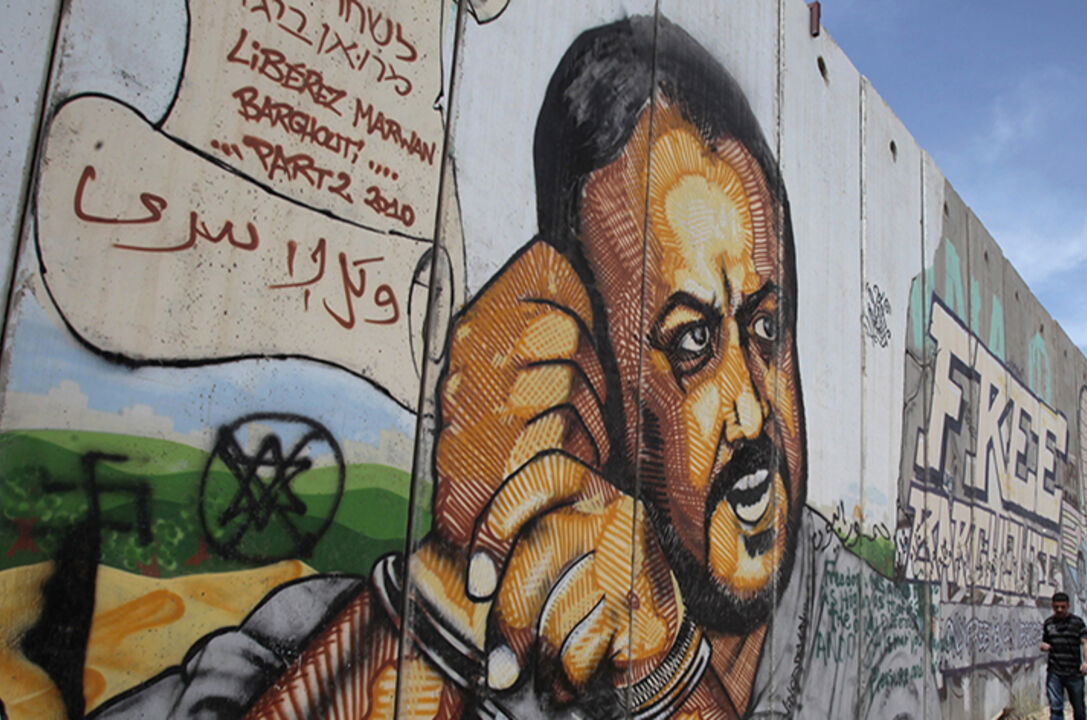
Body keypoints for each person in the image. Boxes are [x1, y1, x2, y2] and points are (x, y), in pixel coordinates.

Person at [92, 16, 919, 719]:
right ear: (582, 367)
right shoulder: (360, 627)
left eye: (767, 328)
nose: (752, 409)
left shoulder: (873, 640)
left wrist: (662, 676)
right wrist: (454, 576)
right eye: (692, 343)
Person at [1041, 591, 1087, 720]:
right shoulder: (1049, 623)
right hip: (1055, 672)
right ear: (1052, 606)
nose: (1059, 610)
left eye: (1062, 607)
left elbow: (1085, 643)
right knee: (1055, 707)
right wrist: (1044, 646)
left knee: (1078, 708)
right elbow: (1045, 642)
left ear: (1068, 606)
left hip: (1074, 672)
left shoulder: (1077, 623)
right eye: (1056, 607)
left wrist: (1086, 662)